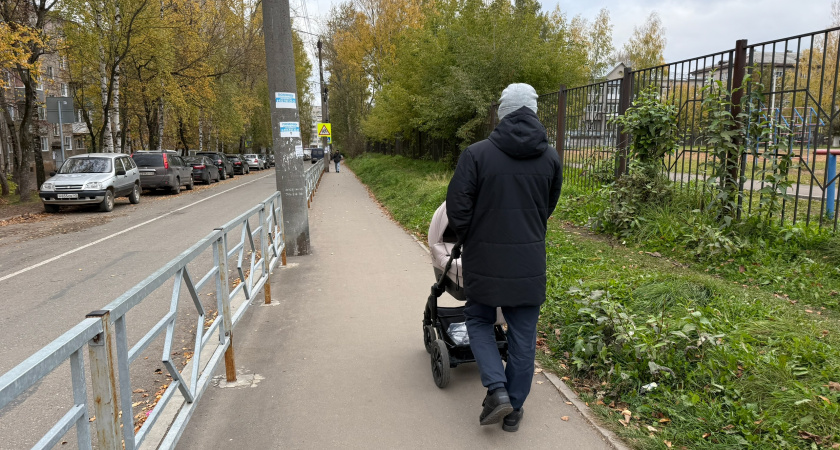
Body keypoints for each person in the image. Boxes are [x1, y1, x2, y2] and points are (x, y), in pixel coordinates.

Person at [446, 83, 562, 432]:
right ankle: (513, 411)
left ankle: (496, 389)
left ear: (502, 112)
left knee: (479, 319)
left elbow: (457, 208)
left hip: (484, 260)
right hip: (529, 262)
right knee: (523, 337)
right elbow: (547, 207)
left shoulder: (477, 154)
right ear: (534, 111)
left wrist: (472, 238)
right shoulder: (551, 157)